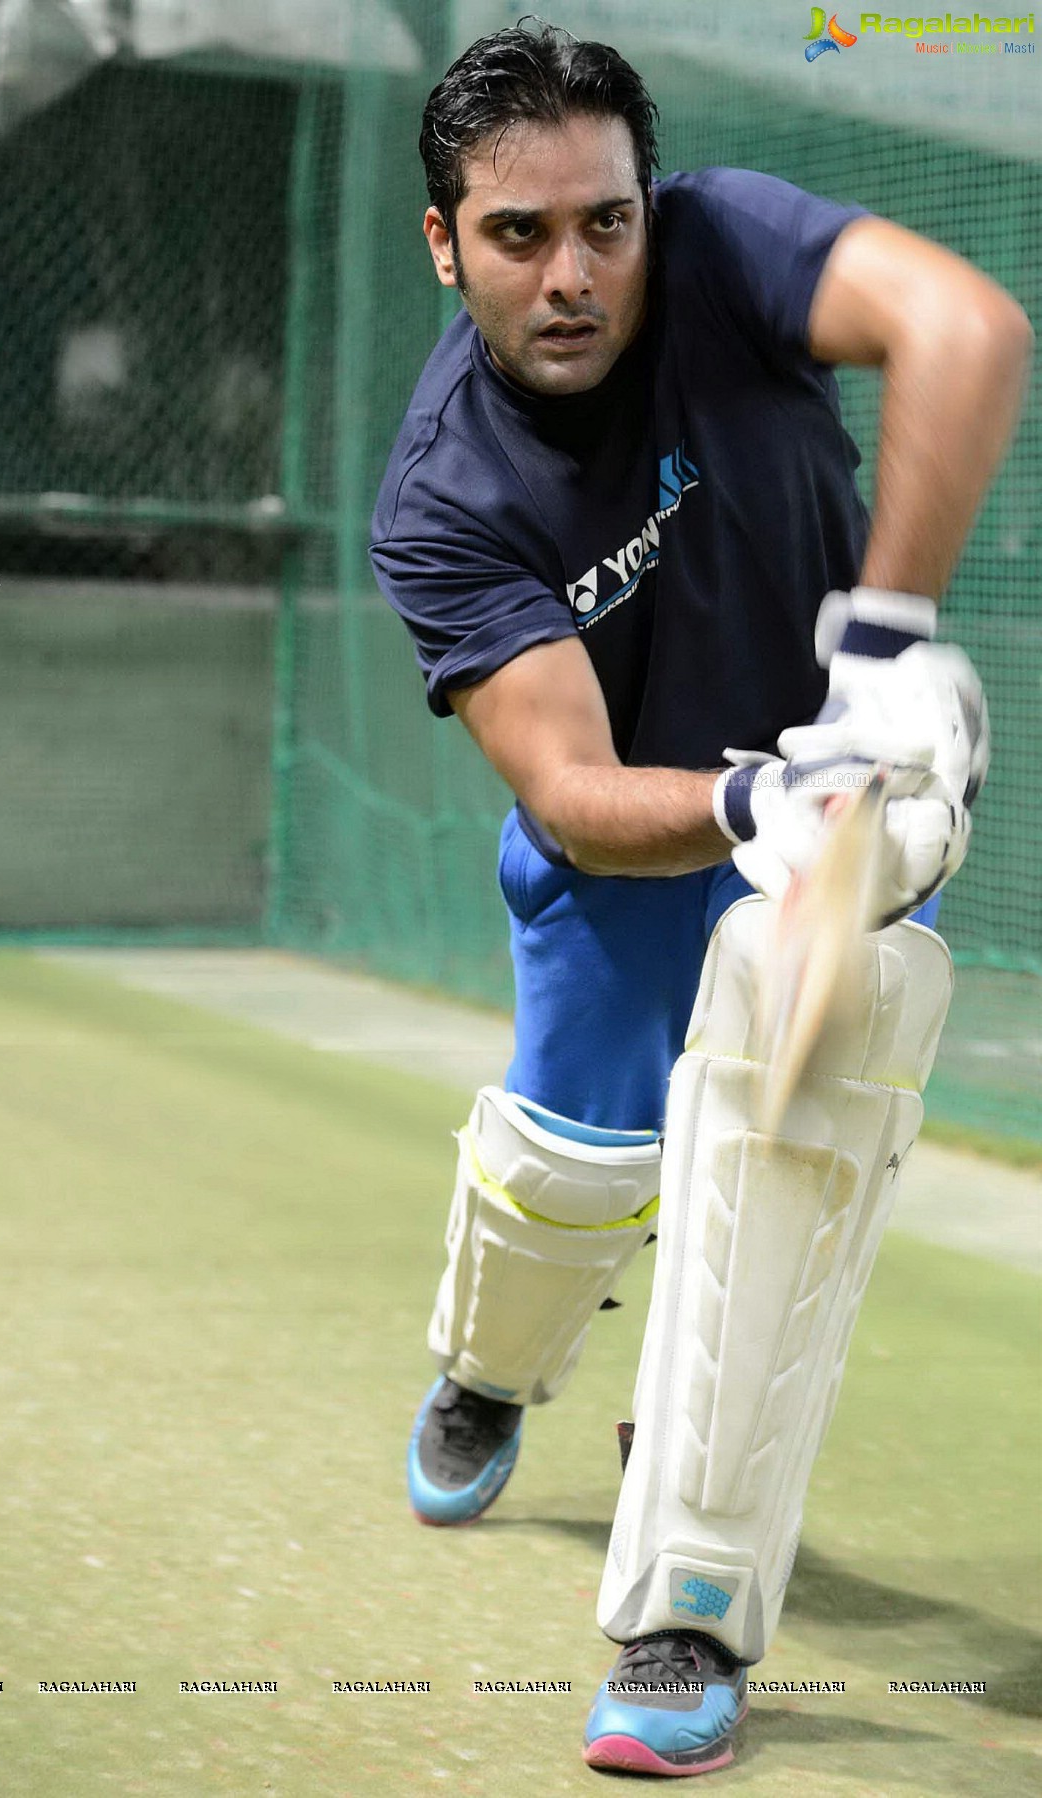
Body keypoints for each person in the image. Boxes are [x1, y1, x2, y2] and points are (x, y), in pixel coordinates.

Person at [369, 20, 1030, 1779]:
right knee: (568, 1177)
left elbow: (968, 328)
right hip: (641, 841)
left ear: (650, 206)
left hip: (824, 815)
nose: (573, 274)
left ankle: (689, 1613)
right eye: (518, 237)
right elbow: (578, 799)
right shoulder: (444, 497)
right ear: (447, 245)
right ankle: (490, 1368)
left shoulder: (727, 248)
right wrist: (759, 799)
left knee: (776, 1175)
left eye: (606, 223)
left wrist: (876, 662)